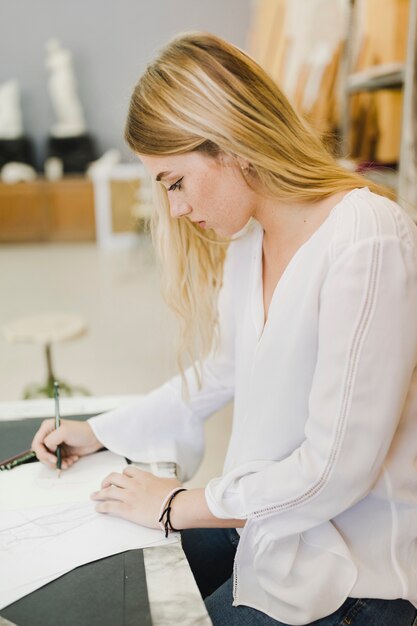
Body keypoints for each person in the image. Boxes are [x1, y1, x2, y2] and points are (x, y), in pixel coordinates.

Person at [31, 32, 417, 626]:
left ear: (231, 143)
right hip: (275, 526)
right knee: (118, 570)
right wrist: (101, 430)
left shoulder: (365, 234)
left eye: (175, 182)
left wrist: (180, 505)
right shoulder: (251, 242)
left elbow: (338, 466)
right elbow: (222, 371)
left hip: (354, 574)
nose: (177, 209)